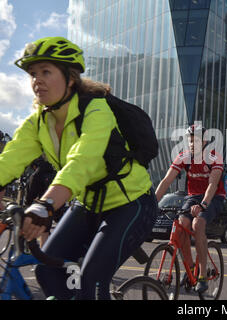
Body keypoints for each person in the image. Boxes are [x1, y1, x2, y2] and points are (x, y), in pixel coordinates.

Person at [0, 36, 157, 300]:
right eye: (33, 74)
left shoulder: (96, 109)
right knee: (46, 271)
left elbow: (81, 161)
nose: (37, 80)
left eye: (46, 72)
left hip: (131, 204)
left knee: (92, 281)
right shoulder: (38, 121)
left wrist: (44, 204)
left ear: (70, 78)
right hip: (87, 205)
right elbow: (9, 160)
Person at [155, 124, 226, 293]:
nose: (193, 144)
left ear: (205, 141)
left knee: (197, 224)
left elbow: (213, 185)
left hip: (213, 196)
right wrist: (153, 203)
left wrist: (203, 205)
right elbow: (166, 181)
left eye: (197, 140)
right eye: (190, 140)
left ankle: (202, 275)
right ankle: (190, 267)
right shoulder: (184, 157)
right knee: (181, 226)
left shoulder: (214, 157)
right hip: (192, 196)